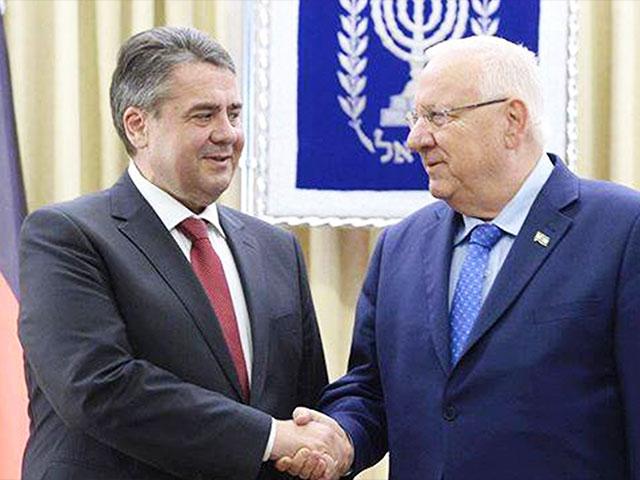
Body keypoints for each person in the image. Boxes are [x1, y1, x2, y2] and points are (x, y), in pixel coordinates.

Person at [278, 35, 640, 480]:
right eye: (415, 117)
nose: (415, 139)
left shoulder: (623, 230)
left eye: (437, 117)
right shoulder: (400, 246)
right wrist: (341, 439)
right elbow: (371, 390)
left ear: (512, 120)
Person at [18, 26, 340, 480]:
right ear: (138, 125)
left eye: (234, 113)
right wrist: (270, 437)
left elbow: (307, 402)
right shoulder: (67, 236)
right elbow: (99, 388)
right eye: (204, 115)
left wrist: (327, 444)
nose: (227, 134)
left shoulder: (276, 248)